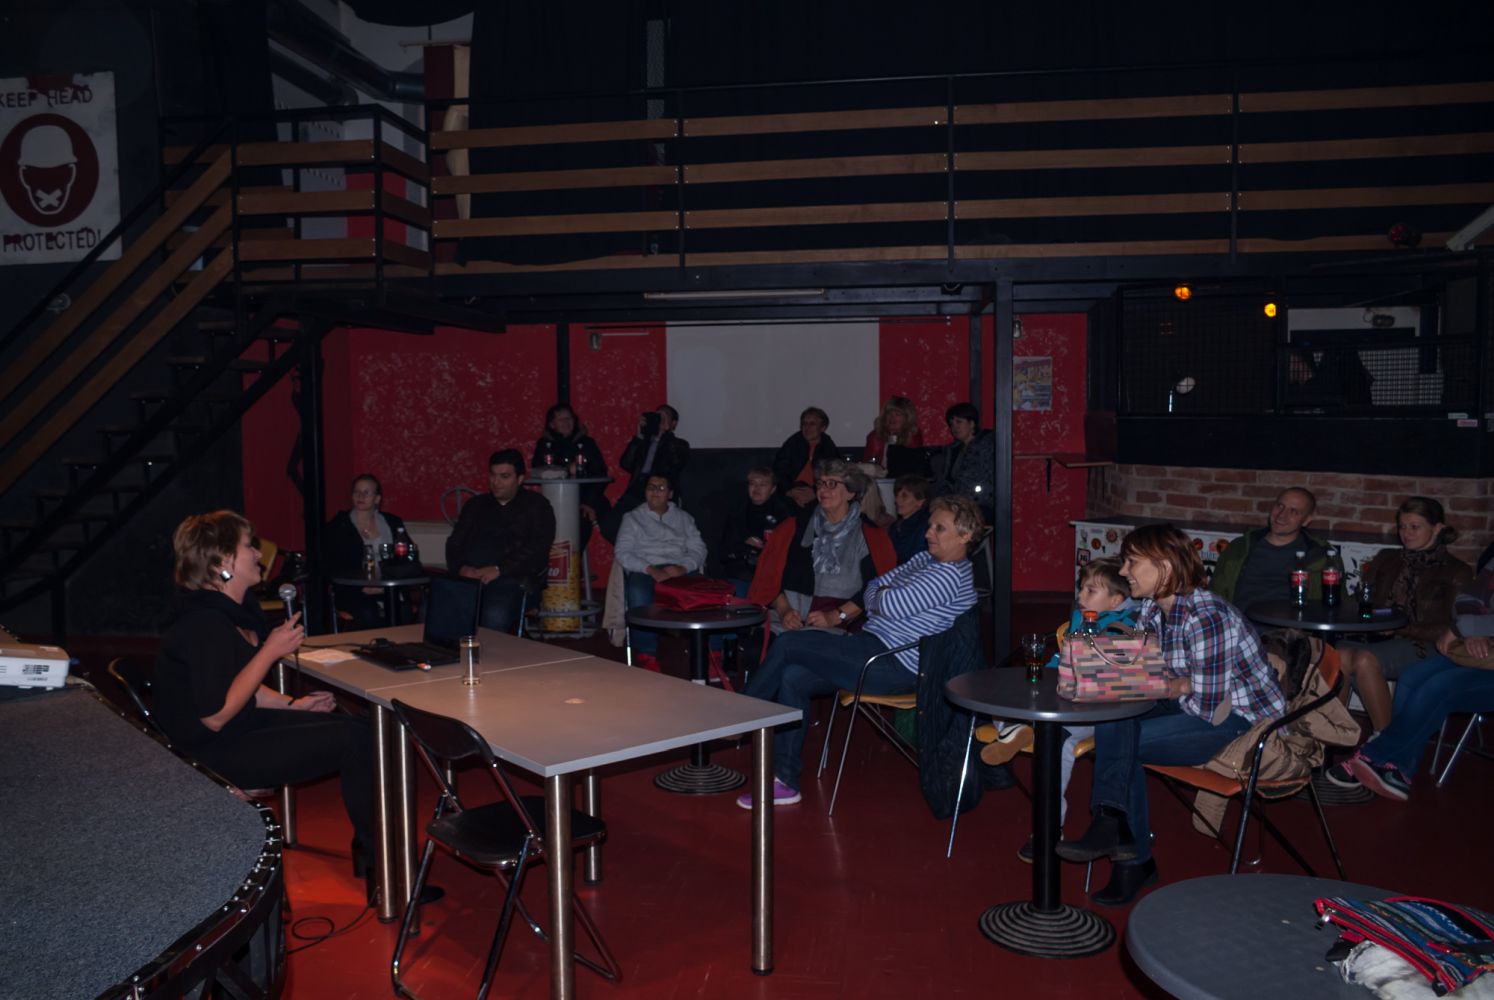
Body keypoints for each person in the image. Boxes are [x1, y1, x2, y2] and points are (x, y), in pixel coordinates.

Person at [1055, 524, 1285, 906]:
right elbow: (1144, 673)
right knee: (1117, 718)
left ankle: (1126, 848)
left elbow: (1206, 707)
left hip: (1239, 720)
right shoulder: (1152, 608)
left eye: (1132, 562)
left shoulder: (1206, 616)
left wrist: (1169, 686)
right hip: (1196, 703)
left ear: (1164, 566)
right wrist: (1104, 681)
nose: (1124, 571)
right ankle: (1116, 832)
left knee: (1122, 741)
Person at [153, 511, 375, 865]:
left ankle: (374, 850)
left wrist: (294, 704)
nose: (258, 553)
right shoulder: (204, 623)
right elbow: (214, 715)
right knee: (358, 740)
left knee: (362, 727)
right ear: (223, 561)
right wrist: (269, 652)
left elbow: (242, 686)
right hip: (211, 750)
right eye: (249, 546)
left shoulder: (233, 611)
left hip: (238, 728)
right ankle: (379, 860)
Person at [737, 495, 982, 807]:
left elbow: (890, 604)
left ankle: (739, 719)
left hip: (894, 665)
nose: (928, 533)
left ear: (965, 536)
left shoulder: (951, 575)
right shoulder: (925, 560)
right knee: (793, 677)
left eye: (939, 528)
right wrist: (884, 595)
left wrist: (884, 596)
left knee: (788, 643)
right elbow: (873, 588)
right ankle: (784, 781)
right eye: (931, 526)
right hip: (870, 646)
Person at [983, 557, 1140, 862]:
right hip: (1061, 695)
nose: (1080, 596)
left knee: (1055, 746)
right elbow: (1062, 660)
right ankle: (1017, 728)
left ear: (1116, 600)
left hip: (1096, 710)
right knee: (997, 702)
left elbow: (1106, 674)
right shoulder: (1081, 618)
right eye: (1081, 588)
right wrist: (1047, 674)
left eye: (1090, 590)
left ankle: (1049, 829)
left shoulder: (1126, 626)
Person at [1327, 544, 1494, 800]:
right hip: (1480, 650)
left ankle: (1374, 755)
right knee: (1412, 677)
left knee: (1439, 686)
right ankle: (1399, 769)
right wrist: (1473, 630)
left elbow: (1447, 619)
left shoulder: (1453, 569)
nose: (1406, 532)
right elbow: (1469, 598)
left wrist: (1466, 628)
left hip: (1466, 648)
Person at [1332, 496, 1473, 734]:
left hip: (1426, 643)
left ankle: (1384, 739)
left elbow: (1455, 626)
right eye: (1402, 527)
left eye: (1415, 527)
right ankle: (1333, 734)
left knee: (1364, 659)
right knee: (1338, 655)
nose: (1406, 533)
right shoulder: (1387, 558)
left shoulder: (1456, 570)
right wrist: (1363, 615)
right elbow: (1363, 603)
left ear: (1437, 528)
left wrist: (1399, 628)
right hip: (1376, 636)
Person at [748, 458, 896, 635]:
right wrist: (784, 610)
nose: (823, 490)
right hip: (786, 624)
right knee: (759, 643)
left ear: (850, 492)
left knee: (799, 648)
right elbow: (768, 580)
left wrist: (836, 616)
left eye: (831, 484)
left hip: (841, 627)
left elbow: (878, 588)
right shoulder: (792, 528)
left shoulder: (870, 536)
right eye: (820, 483)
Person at [445, 449, 556, 633]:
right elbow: (454, 543)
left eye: (504, 476)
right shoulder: (476, 505)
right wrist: (461, 568)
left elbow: (537, 551)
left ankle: (490, 652)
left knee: (494, 613)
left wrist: (499, 569)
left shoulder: (537, 506)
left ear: (520, 479)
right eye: (493, 475)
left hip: (515, 578)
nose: (496, 482)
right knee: (435, 606)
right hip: (471, 577)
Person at [614, 474, 709, 671]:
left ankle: (710, 653)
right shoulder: (632, 518)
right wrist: (650, 569)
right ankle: (646, 653)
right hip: (646, 569)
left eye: (661, 488)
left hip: (679, 568)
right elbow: (622, 552)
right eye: (651, 487)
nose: (655, 491)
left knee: (706, 593)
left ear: (670, 494)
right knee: (638, 592)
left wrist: (682, 567)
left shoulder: (684, 518)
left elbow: (699, 549)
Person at [1209, 487, 1328, 613]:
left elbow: (1331, 608)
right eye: (1280, 506)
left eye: (1293, 511)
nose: (1281, 515)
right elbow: (1215, 594)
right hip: (1238, 622)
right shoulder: (1240, 547)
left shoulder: (1318, 556)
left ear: (1306, 520)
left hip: (1290, 625)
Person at [322, 473, 409, 630]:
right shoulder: (339, 526)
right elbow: (332, 565)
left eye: (366, 492)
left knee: (403, 611)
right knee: (368, 613)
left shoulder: (392, 522)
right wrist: (361, 588)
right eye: (357, 492)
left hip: (389, 587)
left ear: (377, 499)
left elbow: (406, 556)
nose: (360, 496)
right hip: (353, 590)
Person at [603, 404, 690, 542]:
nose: (660, 419)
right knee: (610, 525)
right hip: (637, 491)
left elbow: (676, 463)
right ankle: (635, 550)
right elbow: (626, 463)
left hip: (660, 493)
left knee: (653, 530)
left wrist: (665, 435)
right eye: (658, 416)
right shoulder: (644, 442)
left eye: (665, 417)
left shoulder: (679, 444)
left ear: (673, 423)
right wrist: (639, 436)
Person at [532, 403, 611, 547]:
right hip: (554, 498)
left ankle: (573, 559)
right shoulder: (544, 445)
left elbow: (600, 473)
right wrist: (566, 470)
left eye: (569, 418)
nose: (566, 422)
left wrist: (588, 502)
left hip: (585, 497)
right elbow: (537, 469)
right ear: (551, 424)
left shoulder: (587, 443)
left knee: (583, 519)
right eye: (561, 419)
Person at [718, 466, 795, 594]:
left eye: (763, 485)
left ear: (773, 489)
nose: (757, 488)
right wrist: (745, 544)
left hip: (773, 575)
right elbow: (723, 551)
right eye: (753, 483)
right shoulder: (737, 511)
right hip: (741, 573)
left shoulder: (784, 514)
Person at [933, 401, 994, 521]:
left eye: (959, 422)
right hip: (957, 504)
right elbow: (947, 480)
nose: (954, 427)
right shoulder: (953, 450)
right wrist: (941, 500)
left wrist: (960, 503)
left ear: (972, 423)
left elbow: (985, 483)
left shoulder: (987, 447)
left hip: (979, 505)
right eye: (951, 424)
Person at [772, 406, 839, 507]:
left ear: (823, 428)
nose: (807, 427)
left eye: (812, 424)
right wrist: (789, 491)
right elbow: (779, 470)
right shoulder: (793, 443)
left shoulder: (828, 447)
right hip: (792, 490)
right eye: (804, 423)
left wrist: (815, 492)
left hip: (817, 492)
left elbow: (835, 475)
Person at [864, 395, 924, 468]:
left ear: (907, 418)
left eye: (897, 414)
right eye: (889, 413)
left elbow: (913, 463)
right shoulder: (875, 435)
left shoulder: (913, 435)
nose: (892, 417)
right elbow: (868, 463)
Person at [887, 474, 932, 565]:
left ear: (920, 501)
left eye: (904, 496)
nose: (897, 500)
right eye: (897, 495)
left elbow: (915, 562)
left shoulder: (925, 527)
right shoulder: (895, 526)